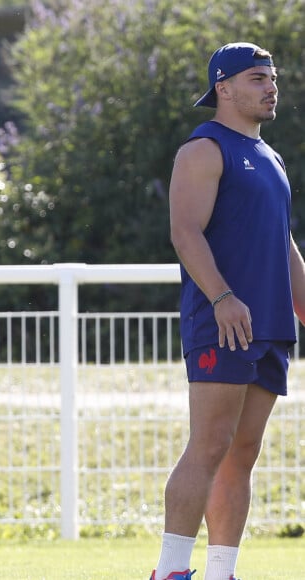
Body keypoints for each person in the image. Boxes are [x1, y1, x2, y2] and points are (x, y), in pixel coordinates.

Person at [149, 42, 305, 580]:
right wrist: (221, 297)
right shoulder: (203, 149)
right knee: (210, 444)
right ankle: (169, 571)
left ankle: (222, 572)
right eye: (258, 78)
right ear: (224, 86)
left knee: (242, 453)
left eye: (272, 78)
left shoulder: (272, 158)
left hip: (269, 327)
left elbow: (284, 247)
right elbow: (184, 232)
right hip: (222, 320)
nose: (271, 87)